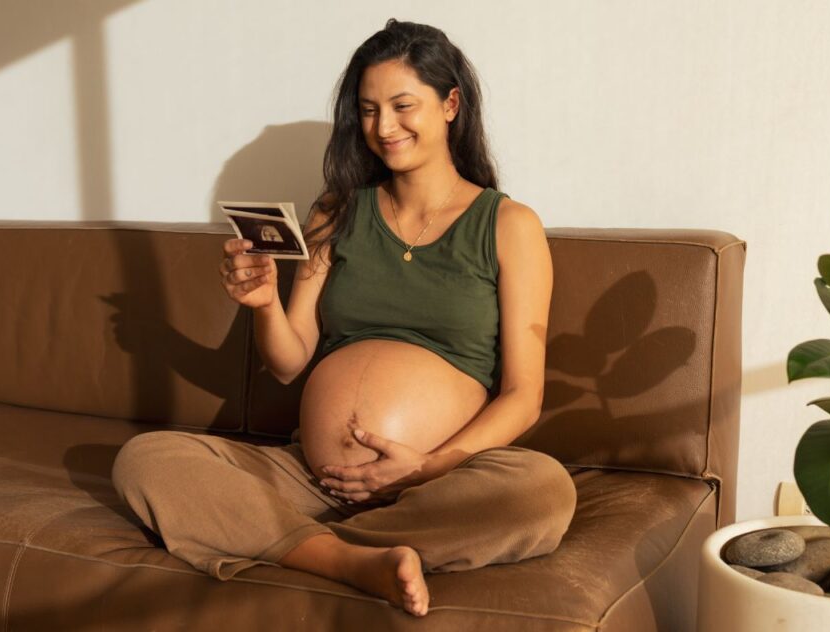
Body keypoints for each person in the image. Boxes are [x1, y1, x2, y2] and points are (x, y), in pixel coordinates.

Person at [111, 18, 576, 618]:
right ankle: (349, 560)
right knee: (146, 461)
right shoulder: (336, 210)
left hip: (436, 483)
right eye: (368, 110)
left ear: (451, 103)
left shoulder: (509, 226)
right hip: (312, 477)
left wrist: (423, 469)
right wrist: (264, 305)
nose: (384, 128)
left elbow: (523, 394)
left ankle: (290, 542)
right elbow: (287, 364)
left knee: (542, 492)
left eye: (403, 106)